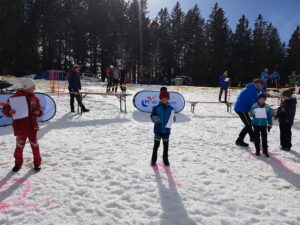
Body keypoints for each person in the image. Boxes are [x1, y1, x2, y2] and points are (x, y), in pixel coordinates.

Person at [2, 78, 43, 172]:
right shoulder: (13, 98)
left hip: (32, 127)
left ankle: (37, 163)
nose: (34, 88)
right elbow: (5, 109)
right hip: (20, 128)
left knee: (35, 146)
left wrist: (38, 112)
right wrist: (9, 111)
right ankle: (18, 163)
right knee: (19, 147)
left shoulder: (34, 98)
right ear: (26, 87)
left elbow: (39, 110)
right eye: (32, 87)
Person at [234, 79, 265, 147]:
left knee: (249, 123)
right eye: (261, 85)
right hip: (241, 109)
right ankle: (239, 140)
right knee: (248, 124)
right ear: (257, 84)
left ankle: (252, 137)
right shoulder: (251, 90)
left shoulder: (254, 89)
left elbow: (260, 93)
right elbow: (254, 102)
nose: (262, 87)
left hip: (244, 108)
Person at [150, 89, 175, 166]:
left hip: (166, 131)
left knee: (166, 146)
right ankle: (153, 160)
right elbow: (152, 116)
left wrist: (173, 118)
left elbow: (172, 117)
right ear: (160, 99)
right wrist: (157, 120)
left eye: (166, 98)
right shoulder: (156, 108)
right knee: (156, 146)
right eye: (163, 98)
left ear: (168, 99)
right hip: (158, 130)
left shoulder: (171, 108)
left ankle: (165, 159)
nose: (165, 100)